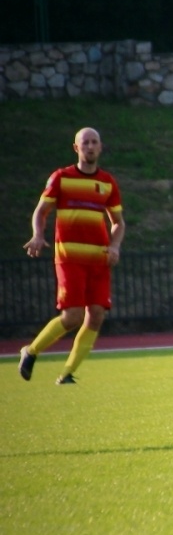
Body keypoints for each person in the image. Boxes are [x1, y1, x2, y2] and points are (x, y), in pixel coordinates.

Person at [17, 127, 126, 385]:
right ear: (76, 148)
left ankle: (67, 373)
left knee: (97, 314)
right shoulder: (61, 178)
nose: (90, 146)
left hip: (99, 260)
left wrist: (115, 246)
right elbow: (41, 211)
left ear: (100, 147)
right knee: (73, 317)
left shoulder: (108, 182)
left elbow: (119, 223)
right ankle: (30, 351)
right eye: (85, 142)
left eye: (94, 142)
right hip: (70, 258)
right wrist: (37, 235)